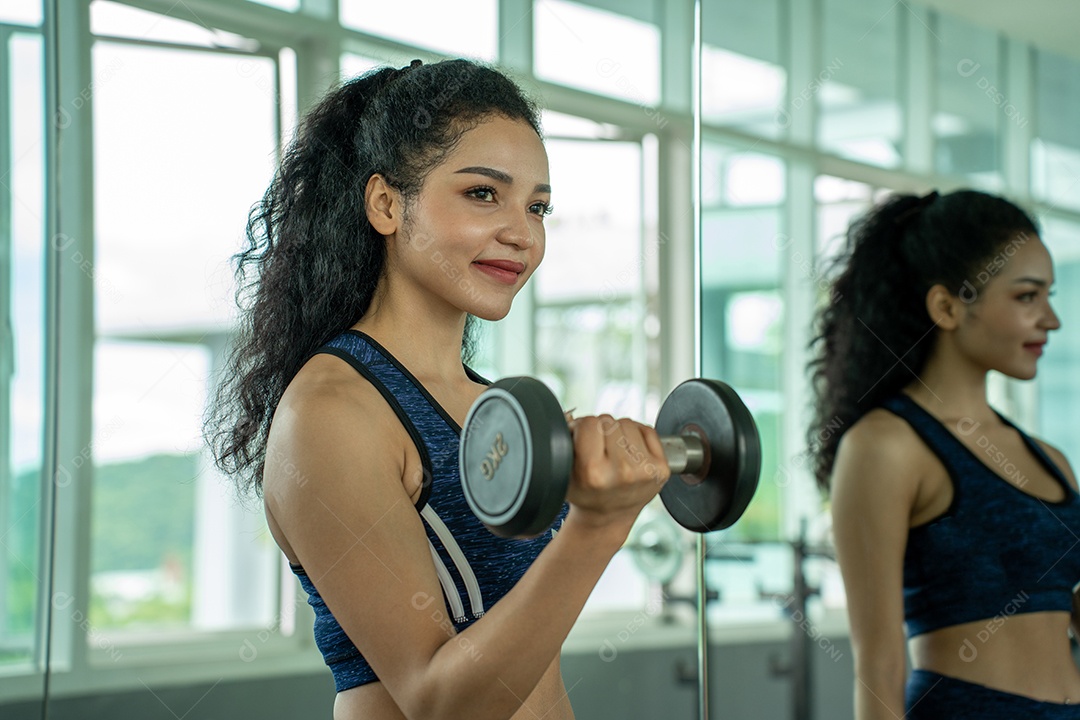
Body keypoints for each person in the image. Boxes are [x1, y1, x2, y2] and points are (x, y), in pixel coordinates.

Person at [204, 58, 670, 720]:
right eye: (484, 193)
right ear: (388, 204)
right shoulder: (332, 411)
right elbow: (437, 700)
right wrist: (600, 524)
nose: (523, 233)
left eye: (537, 206)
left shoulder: (487, 407)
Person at [807, 188, 1080, 719]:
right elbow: (879, 666)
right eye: (1027, 297)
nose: (1051, 320)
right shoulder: (884, 446)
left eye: (1049, 296)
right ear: (948, 306)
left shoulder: (1049, 458)